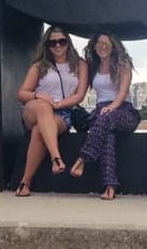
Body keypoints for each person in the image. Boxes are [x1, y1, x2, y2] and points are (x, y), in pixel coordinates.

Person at [14, 26, 88, 197]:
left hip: (62, 112)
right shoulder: (39, 66)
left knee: (40, 130)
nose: (57, 46)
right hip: (35, 108)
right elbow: (22, 93)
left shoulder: (79, 64)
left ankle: (25, 182)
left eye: (61, 41)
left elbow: (80, 95)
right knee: (42, 106)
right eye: (52, 42)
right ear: (46, 45)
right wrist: (39, 95)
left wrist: (59, 104)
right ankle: (57, 158)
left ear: (68, 43)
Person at [69, 32, 140, 200]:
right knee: (107, 136)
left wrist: (112, 107)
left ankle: (82, 158)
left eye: (107, 43)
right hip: (101, 112)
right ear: (94, 46)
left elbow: (122, 93)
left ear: (114, 46)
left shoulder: (123, 65)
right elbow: (80, 92)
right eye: (99, 43)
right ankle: (110, 186)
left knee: (105, 118)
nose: (103, 46)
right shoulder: (92, 67)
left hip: (123, 111)